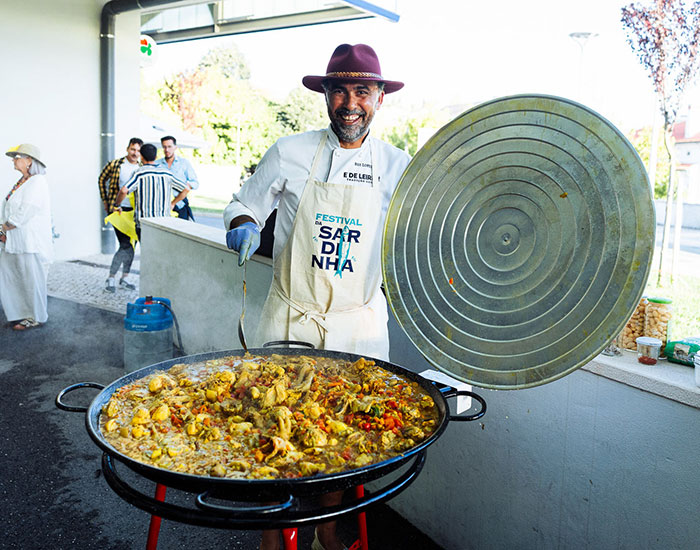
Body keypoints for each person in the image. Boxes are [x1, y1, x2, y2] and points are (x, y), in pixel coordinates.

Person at [224, 43, 410, 550]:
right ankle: (273, 538)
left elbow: (423, 241)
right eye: (339, 90)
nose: (350, 103)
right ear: (324, 96)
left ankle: (329, 532)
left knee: (347, 444)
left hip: (359, 327)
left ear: (379, 98)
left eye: (363, 91)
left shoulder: (398, 166)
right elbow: (244, 203)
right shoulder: (291, 151)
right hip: (291, 317)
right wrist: (241, 224)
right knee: (271, 433)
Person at [0, 144, 52, 331]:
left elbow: (26, 211)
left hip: (29, 241)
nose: (14, 160)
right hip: (14, 239)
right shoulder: (22, 181)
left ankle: (35, 316)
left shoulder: (37, 182)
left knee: (31, 279)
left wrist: (3, 229)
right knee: (12, 277)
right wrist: (3, 231)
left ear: (29, 161)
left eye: (17, 157)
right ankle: (20, 313)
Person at [114, 143, 190, 240]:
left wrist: (117, 205)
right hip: (164, 223)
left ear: (141, 156)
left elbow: (124, 190)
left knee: (147, 253)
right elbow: (186, 189)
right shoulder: (167, 173)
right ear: (156, 156)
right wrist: (173, 203)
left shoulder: (139, 173)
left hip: (144, 224)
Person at [98, 137, 143, 293]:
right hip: (118, 211)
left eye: (138, 150)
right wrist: (105, 200)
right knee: (126, 246)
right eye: (132, 149)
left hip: (134, 213)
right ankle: (111, 277)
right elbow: (102, 179)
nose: (135, 153)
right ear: (127, 149)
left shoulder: (142, 167)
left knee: (132, 246)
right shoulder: (116, 164)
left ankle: (124, 278)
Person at [155, 135, 198, 221]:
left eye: (169, 147)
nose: (167, 150)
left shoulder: (184, 163)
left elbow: (195, 183)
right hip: (161, 207)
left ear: (175, 147)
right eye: (164, 147)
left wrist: (186, 187)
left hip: (180, 205)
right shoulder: (157, 164)